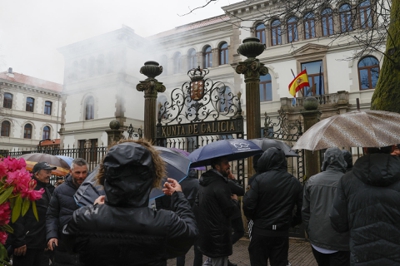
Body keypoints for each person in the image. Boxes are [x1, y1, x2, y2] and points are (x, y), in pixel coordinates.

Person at [62, 139, 198, 266]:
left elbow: (69, 245)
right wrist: (179, 196)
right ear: (152, 180)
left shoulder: (84, 218)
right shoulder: (165, 222)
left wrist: (95, 208)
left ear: (105, 178)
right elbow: (189, 234)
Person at [330, 146, 400, 265]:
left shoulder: (347, 180)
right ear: (393, 147)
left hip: (362, 256)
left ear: (365, 149)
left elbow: (339, 223)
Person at [243, 147, 302, 266]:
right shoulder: (293, 182)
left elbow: (248, 205)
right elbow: (302, 209)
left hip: (261, 231)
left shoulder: (259, 180)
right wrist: (291, 222)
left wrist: (256, 219)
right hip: (280, 232)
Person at [302, 147, 350, 266]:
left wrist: (310, 231)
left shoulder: (312, 181)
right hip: (342, 241)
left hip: (317, 239)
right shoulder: (349, 181)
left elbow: (305, 211)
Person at [7, 162, 56, 266]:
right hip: (26, 246)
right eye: (47, 172)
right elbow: (18, 217)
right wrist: (19, 241)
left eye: (50, 172)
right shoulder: (27, 190)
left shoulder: (47, 190)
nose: (49, 175)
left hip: (41, 245)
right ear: (37, 174)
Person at [194, 156, 238, 266]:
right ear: (217, 167)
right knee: (218, 262)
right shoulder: (220, 185)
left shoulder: (205, 182)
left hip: (208, 234)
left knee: (210, 261)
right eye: (226, 163)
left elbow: (197, 204)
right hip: (218, 236)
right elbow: (229, 210)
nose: (229, 166)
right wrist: (235, 201)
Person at [46, 158, 89, 266]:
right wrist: (52, 235)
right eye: (77, 172)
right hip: (64, 243)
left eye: (84, 172)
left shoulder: (93, 189)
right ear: (71, 172)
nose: (81, 176)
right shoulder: (59, 190)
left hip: (87, 243)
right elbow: (52, 215)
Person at [176, 169, 202, 266]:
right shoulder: (198, 183)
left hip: (181, 218)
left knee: (181, 251)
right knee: (198, 249)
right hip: (196, 218)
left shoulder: (179, 183)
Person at [227, 172, 244, 266]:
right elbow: (241, 190)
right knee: (240, 231)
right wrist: (233, 179)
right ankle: (225, 249)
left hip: (229, 212)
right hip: (233, 211)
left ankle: (225, 257)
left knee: (229, 233)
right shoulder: (227, 182)